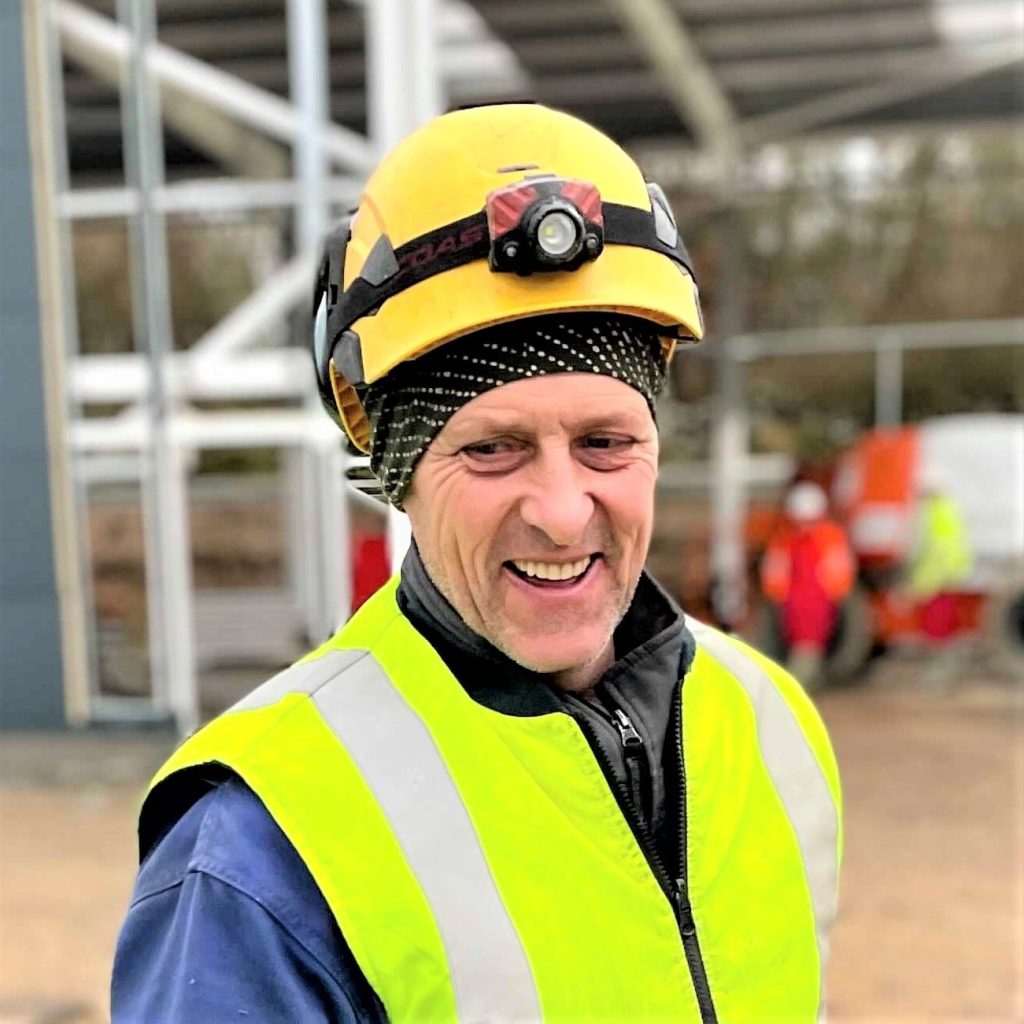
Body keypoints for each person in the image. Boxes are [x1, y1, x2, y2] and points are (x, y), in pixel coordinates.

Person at [112, 103, 842, 1023]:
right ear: (396, 474)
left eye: (606, 441)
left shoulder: (771, 724)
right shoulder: (262, 845)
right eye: (491, 450)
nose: (561, 510)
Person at [761, 480, 856, 690]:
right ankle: (799, 684)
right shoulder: (818, 537)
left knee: (807, 645)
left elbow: (774, 574)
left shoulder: (794, 538)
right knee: (806, 645)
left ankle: (797, 684)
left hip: (810, 602)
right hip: (803, 603)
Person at [905, 466, 971, 646]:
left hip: (935, 572)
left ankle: (936, 645)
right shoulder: (947, 507)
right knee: (944, 611)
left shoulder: (932, 511)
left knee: (935, 616)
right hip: (948, 570)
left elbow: (927, 544)